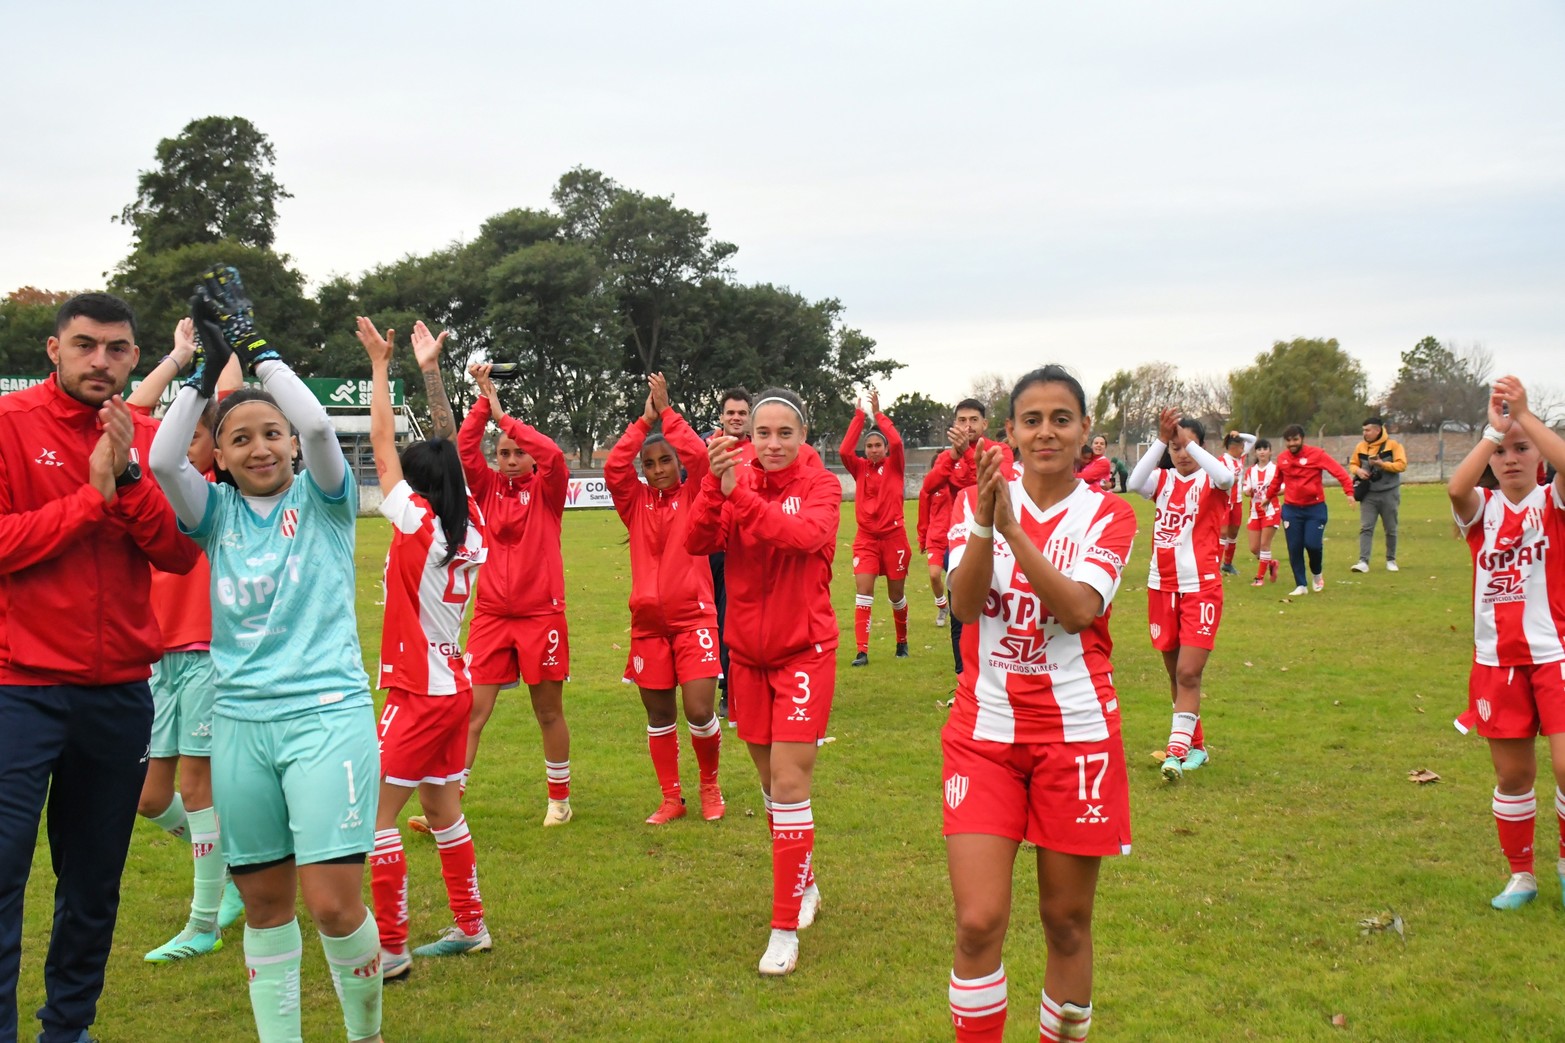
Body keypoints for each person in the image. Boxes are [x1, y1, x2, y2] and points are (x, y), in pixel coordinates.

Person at [150, 267, 383, 1042]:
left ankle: (365, 1033)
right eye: (240, 437)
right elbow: (159, 463)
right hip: (241, 724)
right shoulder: (212, 511)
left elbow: (322, 429)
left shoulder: (323, 499)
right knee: (264, 905)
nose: (259, 447)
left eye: (269, 433)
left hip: (326, 717)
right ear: (219, 450)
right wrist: (200, 367)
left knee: (332, 903)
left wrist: (257, 351)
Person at [0, 292, 202, 1043]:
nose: (101, 361)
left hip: (118, 690)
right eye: (84, 345)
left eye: (117, 349)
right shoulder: (9, 426)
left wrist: (130, 482)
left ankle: (69, 1027)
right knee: (3, 871)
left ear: (133, 354)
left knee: (92, 883)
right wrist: (91, 495)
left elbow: (180, 552)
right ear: (54, 350)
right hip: (19, 687)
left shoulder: (144, 436)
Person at [943, 366, 1136, 1043]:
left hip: (1075, 735)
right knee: (976, 921)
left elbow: (1080, 609)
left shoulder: (1108, 513)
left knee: (1065, 920)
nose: (1046, 431)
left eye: (1061, 417)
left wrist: (1013, 532)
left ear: (1084, 431)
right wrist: (981, 526)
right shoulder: (973, 504)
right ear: (1010, 434)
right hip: (983, 732)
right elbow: (964, 607)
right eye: (1032, 419)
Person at [354, 319, 492, 981]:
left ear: (414, 487)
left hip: (422, 688)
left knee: (372, 817)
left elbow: (382, 443)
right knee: (440, 808)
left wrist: (382, 367)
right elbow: (452, 456)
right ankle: (471, 925)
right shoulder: (470, 525)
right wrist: (431, 372)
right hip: (451, 682)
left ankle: (391, 947)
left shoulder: (420, 523)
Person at [686, 387, 840, 977]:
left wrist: (739, 496)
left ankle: (782, 930)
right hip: (747, 656)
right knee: (771, 788)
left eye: (785, 434)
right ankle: (805, 883)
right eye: (762, 434)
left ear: (804, 437)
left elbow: (801, 538)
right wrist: (709, 487)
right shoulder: (734, 475)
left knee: (790, 781)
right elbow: (698, 542)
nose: (772, 445)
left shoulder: (822, 487)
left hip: (805, 652)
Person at [125, 319, 245, 962]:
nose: (187, 439)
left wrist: (220, 349)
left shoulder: (220, 492)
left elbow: (225, 399)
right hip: (156, 657)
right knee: (148, 797)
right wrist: (176, 360)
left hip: (205, 654)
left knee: (197, 787)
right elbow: (133, 410)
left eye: (200, 432)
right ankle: (230, 864)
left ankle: (206, 920)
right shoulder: (151, 479)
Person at [1448, 376, 1565, 910]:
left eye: (1524, 449)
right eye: (1505, 452)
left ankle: (1564, 861)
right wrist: (1495, 432)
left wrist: (1527, 417)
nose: (1513, 459)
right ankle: (1522, 876)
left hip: (1554, 656)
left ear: (1540, 455)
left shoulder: (1553, 501)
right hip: (1496, 662)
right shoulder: (1483, 511)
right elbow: (1455, 489)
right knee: (1513, 775)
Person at [454, 363, 574, 826]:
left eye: (517, 453)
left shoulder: (548, 488)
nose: (509, 458)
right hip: (490, 617)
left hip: (541, 616)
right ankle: (451, 800)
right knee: (470, 712)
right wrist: (484, 400)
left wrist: (506, 420)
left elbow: (555, 456)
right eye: (502, 452)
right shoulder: (486, 488)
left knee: (547, 712)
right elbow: (466, 447)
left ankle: (559, 802)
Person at [604, 373, 725, 824]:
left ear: (678, 464)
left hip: (695, 620)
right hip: (648, 627)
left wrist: (667, 412)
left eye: (665, 461)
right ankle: (671, 798)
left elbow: (701, 456)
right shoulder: (634, 501)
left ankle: (710, 787)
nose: (657, 469)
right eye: (650, 463)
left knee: (698, 710)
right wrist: (643, 421)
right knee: (659, 715)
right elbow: (614, 468)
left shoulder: (696, 493)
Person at [1126, 410, 1235, 781]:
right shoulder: (1163, 481)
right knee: (1176, 675)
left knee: (1190, 672)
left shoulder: (1212, 481)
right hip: (1161, 587)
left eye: (1187, 445)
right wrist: (1160, 440)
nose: (1181, 453)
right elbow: (1132, 483)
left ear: (1201, 446)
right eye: (1175, 447)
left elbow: (1226, 474)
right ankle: (1197, 747)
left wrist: (1188, 443)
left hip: (1201, 588)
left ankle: (1174, 753)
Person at [927, 399, 1014, 674]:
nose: (968, 426)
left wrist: (968, 454)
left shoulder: (1000, 451)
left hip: (997, 541)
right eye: (962, 420)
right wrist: (954, 455)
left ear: (985, 424)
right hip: (959, 540)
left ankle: (999, 674)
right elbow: (929, 486)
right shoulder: (947, 456)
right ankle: (963, 677)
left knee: (996, 610)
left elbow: (1000, 485)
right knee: (960, 615)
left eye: (973, 420)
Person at [839, 389, 913, 666]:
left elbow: (896, 440)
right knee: (863, 589)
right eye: (868, 446)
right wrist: (858, 417)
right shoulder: (859, 467)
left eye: (877, 446)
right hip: (866, 539)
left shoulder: (894, 465)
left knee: (896, 595)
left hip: (894, 538)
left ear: (884, 448)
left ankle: (902, 642)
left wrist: (879, 415)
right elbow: (845, 449)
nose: (872, 450)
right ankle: (862, 651)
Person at [708, 387, 751, 722]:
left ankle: (729, 692)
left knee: (730, 619)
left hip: (741, 549)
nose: (736, 418)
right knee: (707, 621)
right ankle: (708, 684)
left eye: (742, 413)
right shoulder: (707, 446)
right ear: (722, 416)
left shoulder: (761, 451)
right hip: (707, 548)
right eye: (731, 413)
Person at [1274, 424, 1354, 596]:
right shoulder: (1282, 459)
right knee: (1294, 547)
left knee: (1312, 545)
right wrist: (1268, 496)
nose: (1292, 444)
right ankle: (1301, 585)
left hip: (1314, 509)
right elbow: (1276, 480)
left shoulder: (1316, 455)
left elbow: (1338, 471)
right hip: (1291, 509)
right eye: (1288, 441)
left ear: (1302, 439)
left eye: (1295, 439)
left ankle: (1317, 573)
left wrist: (1349, 491)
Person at [1348, 416, 1406, 574]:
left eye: (1367, 430)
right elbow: (1353, 464)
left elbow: (1402, 465)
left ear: (1378, 430)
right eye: (1363, 430)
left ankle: (1391, 560)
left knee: (1390, 528)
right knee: (1366, 528)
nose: (1365, 433)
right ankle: (1363, 561)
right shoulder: (1360, 447)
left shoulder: (1393, 445)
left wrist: (1383, 465)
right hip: (1369, 495)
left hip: (1389, 493)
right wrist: (1358, 470)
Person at [1242, 438, 1282, 586]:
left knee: (1265, 545)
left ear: (1270, 451)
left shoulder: (1275, 469)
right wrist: (1248, 491)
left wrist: (1271, 493)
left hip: (1271, 510)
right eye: (1259, 449)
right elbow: (1246, 490)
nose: (1262, 452)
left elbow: (1284, 488)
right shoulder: (1251, 471)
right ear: (1256, 452)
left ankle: (1259, 578)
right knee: (1254, 548)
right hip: (1255, 511)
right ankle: (1271, 563)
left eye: (1265, 449)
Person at [917, 466, 954, 627]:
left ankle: (959, 614)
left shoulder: (959, 484)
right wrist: (922, 538)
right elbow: (923, 514)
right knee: (934, 575)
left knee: (956, 580)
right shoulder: (929, 488)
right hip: (936, 538)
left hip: (956, 538)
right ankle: (942, 606)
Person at [1218, 431, 1256, 576]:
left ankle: (1227, 564)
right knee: (1222, 533)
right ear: (1233, 447)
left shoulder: (1240, 458)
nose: (1243, 450)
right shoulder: (1221, 461)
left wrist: (1238, 433)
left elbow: (1253, 439)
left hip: (1238, 502)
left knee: (1233, 533)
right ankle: (1215, 566)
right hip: (1225, 502)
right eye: (1241, 447)